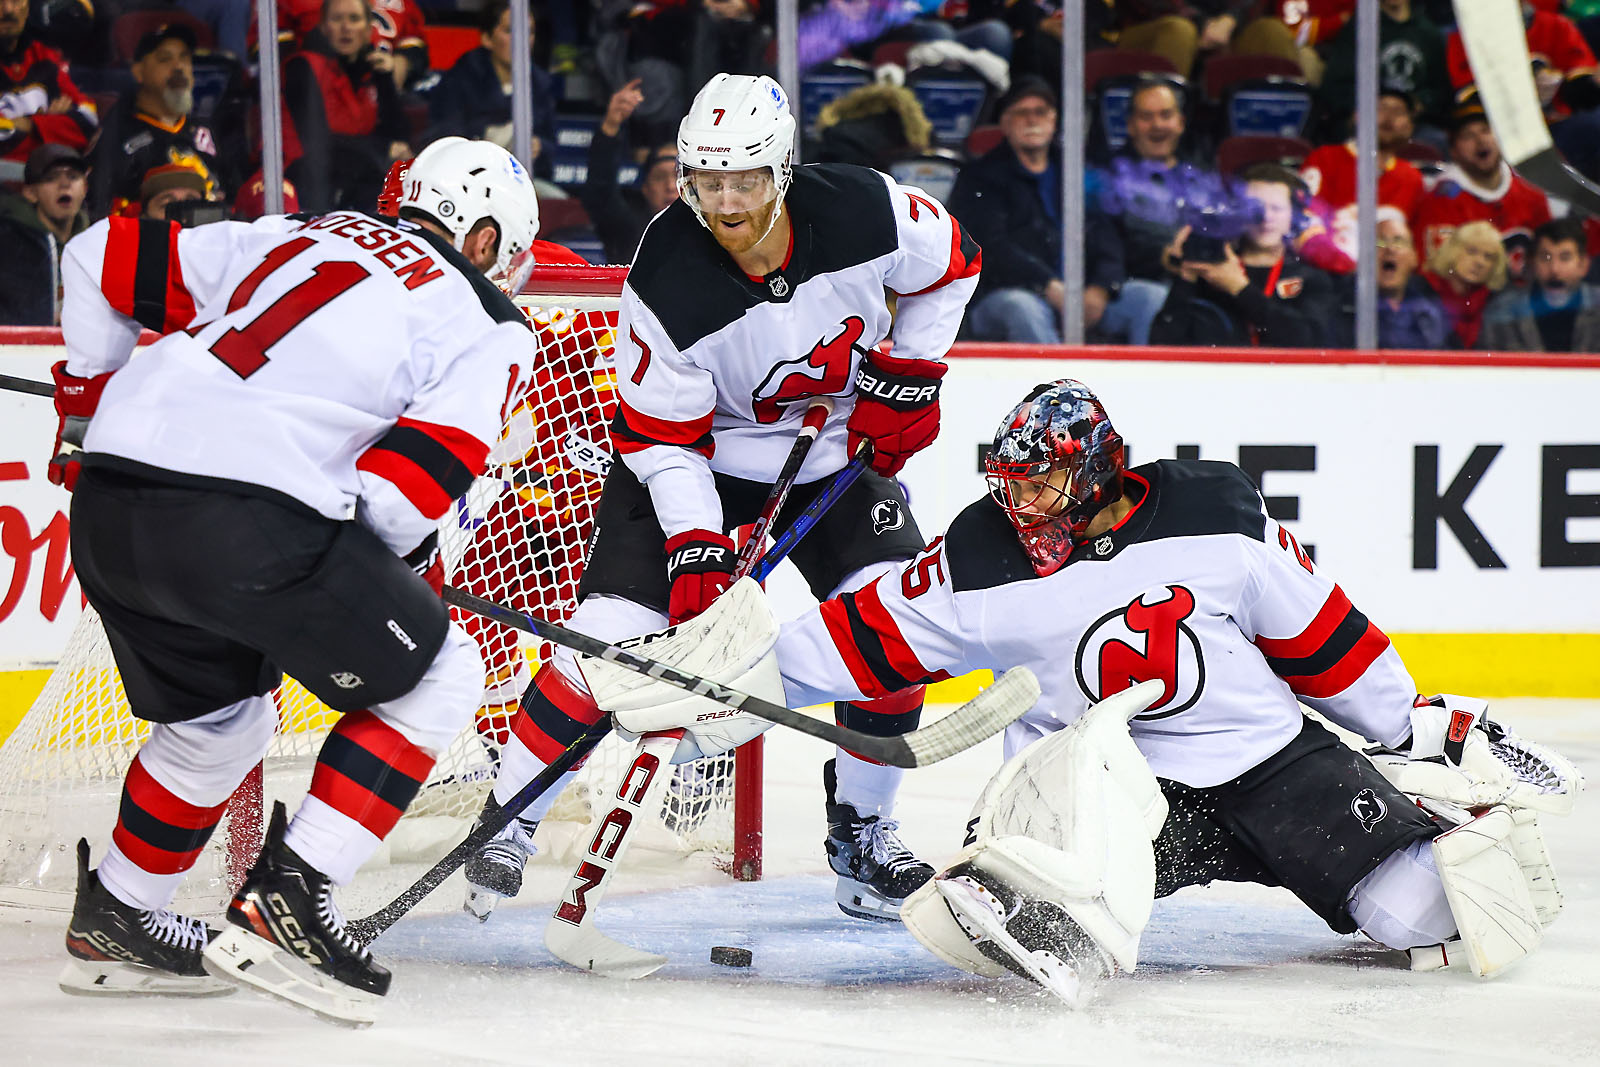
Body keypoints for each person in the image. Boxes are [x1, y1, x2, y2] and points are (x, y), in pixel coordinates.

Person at [648, 378, 1573, 996]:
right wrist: (721, 681)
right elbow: (863, 636)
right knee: (1044, 921)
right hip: (1113, 790)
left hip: (1269, 765)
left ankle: (1418, 815)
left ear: (1096, 470)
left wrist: (1404, 721)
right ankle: (1019, 874)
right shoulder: (980, 559)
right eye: (1009, 485)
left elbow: (1321, 635)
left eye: (1041, 484)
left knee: (1425, 915)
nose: (1020, 505)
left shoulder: (1218, 514)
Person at [463, 72, 980, 926]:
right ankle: (508, 822)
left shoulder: (863, 209)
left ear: (782, 170)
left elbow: (955, 261)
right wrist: (698, 546)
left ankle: (863, 835)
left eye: (744, 180)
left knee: (889, 624)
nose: (726, 201)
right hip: (691, 460)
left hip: (834, 452)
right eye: (707, 180)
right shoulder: (667, 271)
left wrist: (912, 374)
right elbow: (664, 439)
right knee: (605, 643)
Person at [48, 137, 541, 1016]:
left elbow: (92, 257)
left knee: (220, 722)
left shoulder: (296, 229)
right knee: (442, 672)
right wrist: (400, 588)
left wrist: (84, 410)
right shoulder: (488, 319)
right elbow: (399, 503)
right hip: (244, 519)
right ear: (484, 239)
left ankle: (119, 913)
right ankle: (293, 897)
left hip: (111, 499)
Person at [1091, 78, 1227, 345]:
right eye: (1146, 117)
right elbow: (1105, 248)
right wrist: (1163, 256)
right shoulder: (1109, 177)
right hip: (1135, 288)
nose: (1157, 125)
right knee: (1156, 299)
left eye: (1166, 115)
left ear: (1180, 122)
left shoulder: (1202, 174)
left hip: (1202, 284)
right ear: (1130, 125)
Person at [1150, 164, 1337, 348]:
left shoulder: (1310, 277)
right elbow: (1162, 343)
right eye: (1255, 208)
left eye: (1277, 208)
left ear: (1293, 215)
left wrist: (1240, 288)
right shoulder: (1210, 265)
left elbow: (1309, 342)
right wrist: (1186, 278)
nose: (1266, 217)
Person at [948, 77, 1069, 344]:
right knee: (1022, 309)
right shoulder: (979, 177)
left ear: (1054, 120)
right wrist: (1045, 283)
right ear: (1004, 123)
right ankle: (1057, 373)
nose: (1032, 120)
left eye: (1040, 112)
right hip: (1000, 296)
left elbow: (1104, 233)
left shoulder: (1075, 170)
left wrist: (1101, 286)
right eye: (1021, 113)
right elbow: (989, 247)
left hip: (1074, 291)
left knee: (1144, 297)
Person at [281, 0, 411, 212]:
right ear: (323, 27)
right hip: (305, 179)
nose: (346, 28)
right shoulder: (303, 67)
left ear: (368, 29)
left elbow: (398, 137)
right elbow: (316, 140)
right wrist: (381, 148)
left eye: (354, 19)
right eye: (337, 19)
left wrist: (385, 81)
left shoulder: (368, 71)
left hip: (355, 175)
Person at [90, 22, 230, 219]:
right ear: (138, 72)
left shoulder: (204, 128)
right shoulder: (119, 134)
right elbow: (101, 209)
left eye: (185, 58)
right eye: (165, 59)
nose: (179, 67)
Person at [1409, 100, 1551, 283]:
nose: (1480, 140)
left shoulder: (1531, 194)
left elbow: (1550, 258)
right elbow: (1434, 274)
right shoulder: (1439, 201)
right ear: (1454, 151)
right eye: (1468, 136)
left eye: (1486, 130)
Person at [423, 0, 555, 178]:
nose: (521, 40)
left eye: (529, 32)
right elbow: (447, 140)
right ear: (487, 38)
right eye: (510, 31)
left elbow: (550, 143)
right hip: (468, 180)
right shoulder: (461, 79)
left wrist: (539, 147)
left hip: (524, 180)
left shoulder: (540, 84)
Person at [1301, 85, 1427, 262]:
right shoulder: (1325, 158)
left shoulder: (1411, 177)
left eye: (1398, 112)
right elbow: (1308, 218)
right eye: (1380, 108)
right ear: (1358, 115)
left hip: (1386, 270)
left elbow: (1414, 241)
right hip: (1328, 266)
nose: (1389, 117)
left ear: (1409, 126)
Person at [580, 78, 680, 264]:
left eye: (678, 177)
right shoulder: (627, 226)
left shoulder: (709, 229)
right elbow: (600, 191)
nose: (670, 186)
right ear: (645, 188)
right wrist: (611, 125)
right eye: (659, 177)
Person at [0, 0, 97, 165]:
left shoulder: (43, 54)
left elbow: (88, 119)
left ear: (27, 8)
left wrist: (32, 125)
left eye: (16, 0)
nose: (8, 9)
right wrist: (52, 126)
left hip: (50, 174)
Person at [0, 142, 87, 325]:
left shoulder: (98, 245)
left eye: (73, 177)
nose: (64, 185)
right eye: (51, 178)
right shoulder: (8, 244)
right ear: (31, 193)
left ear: (85, 188)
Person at [1483, 217, 1600, 353]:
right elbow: (1487, 362)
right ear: (1531, 262)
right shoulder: (1502, 309)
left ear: (1583, 264)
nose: (1555, 269)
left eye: (1565, 258)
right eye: (1546, 257)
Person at [1420, 219, 1509, 349]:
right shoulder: (1421, 291)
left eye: (1488, 257)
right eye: (1472, 251)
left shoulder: (1497, 303)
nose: (1480, 262)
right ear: (1452, 251)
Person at [1375, 208, 1449, 350]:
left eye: (1399, 242)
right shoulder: (1344, 308)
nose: (1390, 249)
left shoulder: (1432, 312)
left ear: (1414, 258)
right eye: (1380, 242)